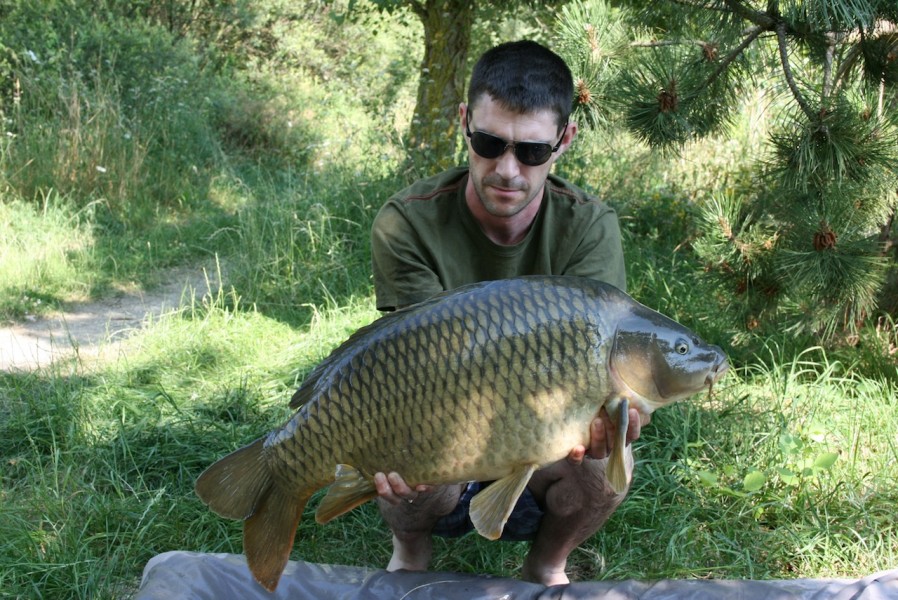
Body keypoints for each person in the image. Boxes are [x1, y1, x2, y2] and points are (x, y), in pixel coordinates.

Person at [368, 39, 645, 587]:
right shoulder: (406, 222)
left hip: (541, 430)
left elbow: (607, 365)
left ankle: (546, 564)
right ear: (465, 123)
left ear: (563, 141)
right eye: (490, 143)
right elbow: (416, 367)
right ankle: (410, 550)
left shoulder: (588, 227)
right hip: (442, 413)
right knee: (399, 450)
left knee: (608, 467)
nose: (508, 170)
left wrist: (621, 411)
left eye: (532, 152)